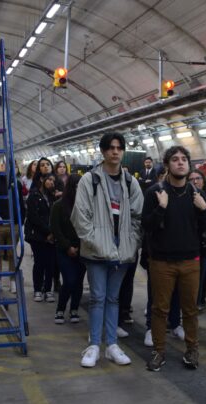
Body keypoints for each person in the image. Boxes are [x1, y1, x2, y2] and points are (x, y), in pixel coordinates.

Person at [71, 132, 143, 368]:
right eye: (110, 148)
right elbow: (80, 218)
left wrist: (130, 243)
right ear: (102, 152)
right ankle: (94, 345)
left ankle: (112, 345)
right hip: (95, 251)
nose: (115, 152)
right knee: (98, 298)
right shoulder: (88, 180)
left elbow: (138, 217)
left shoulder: (131, 182)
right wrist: (99, 244)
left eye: (119, 148)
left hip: (122, 250)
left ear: (123, 152)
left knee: (113, 299)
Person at [142, 147, 206, 371]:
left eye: (184, 159)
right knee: (160, 309)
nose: (180, 163)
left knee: (190, 310)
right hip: (162, 262)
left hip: (191, 261)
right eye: (175, 160)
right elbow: (147, 226)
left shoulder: (196, 194)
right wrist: (161, 207)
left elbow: (205, 229)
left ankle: (192, 350)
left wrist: (203, 211)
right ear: (167, 165)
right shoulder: (155, 192)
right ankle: (159, 351)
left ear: (189, 164)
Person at [0, 160, 26, 294]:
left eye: (12, 166)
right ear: (0, 167)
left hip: (14, 224)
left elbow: (20, 204)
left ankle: (12, 281)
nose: (7, 168)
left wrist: (20, 222)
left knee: (12, 254)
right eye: (5, 165)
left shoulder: (17, 184)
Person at [50, 175, 85, 324]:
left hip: (83, 249)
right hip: (64, 250)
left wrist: (82, 246)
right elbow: (56, 229)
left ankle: (74, 309)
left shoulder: (86, 205)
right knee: (69, 280)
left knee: (78, 281)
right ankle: (60, 309)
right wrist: (67, 246)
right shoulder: (58, 206)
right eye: (76, 186)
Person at [24, 173, 57, 302]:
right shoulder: (33, 195)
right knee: (39, 263)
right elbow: (33, 217)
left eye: (53, 181)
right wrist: (48, 232)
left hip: (52, 236)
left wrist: (53, 233)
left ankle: (48, 290)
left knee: (50, 264)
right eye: (49, 179)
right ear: (42, 180)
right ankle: (37, 289)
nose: (51, 182)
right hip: (38, 235)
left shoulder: (52, 197)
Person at [189, 170, 206, 311]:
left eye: (198, 178)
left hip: (205, 246)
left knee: (201, 277)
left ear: (203, 180)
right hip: (193, 244)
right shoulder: (187, 197)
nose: (195, 181)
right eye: (191, 179)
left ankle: (199, 301)